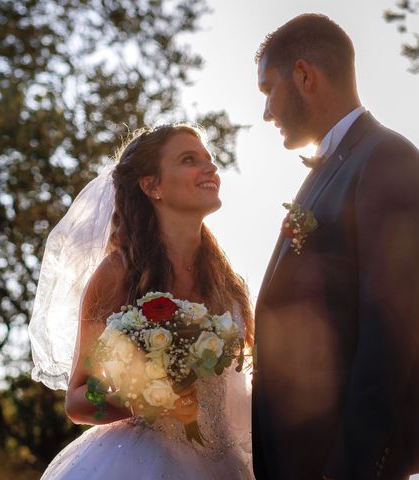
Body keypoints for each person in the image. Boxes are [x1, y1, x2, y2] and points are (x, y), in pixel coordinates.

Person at [252, 14, 419, 480]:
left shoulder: (386, 158)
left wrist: (351, 469)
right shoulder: (326, 173)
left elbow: (391, 329)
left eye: (268, 91)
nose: (266, 113)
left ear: (304, 76)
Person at [29, 124, 255, 479]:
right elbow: (77, 400)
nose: (210, 168)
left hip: (225, 465)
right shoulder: (119, 274)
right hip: (139, 463)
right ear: (152, 186)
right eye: (189, 159)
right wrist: (145, 399)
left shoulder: (227, 283)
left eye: (209, 159)